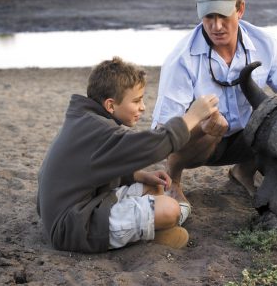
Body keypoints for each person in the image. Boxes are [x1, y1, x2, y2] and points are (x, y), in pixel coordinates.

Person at [151, 0, 277, 207]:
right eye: (209, 17)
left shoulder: (265, 43)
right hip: (200, 144)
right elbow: (162, 130)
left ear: (240, 8)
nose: (216, 26)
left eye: (224, 15)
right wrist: (200, 123)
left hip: (247, 140)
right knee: (203, 127)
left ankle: (243, 171)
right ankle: (173, 179)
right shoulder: (181, 58)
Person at [37, 56, 219, 253]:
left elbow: (96, 167)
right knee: (171, 209)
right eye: (136, 100)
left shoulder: (88, 121)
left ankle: (152, 231)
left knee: (153, 186)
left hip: (83, 205)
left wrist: (137, 176)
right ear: (110, 105)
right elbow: (154, 146)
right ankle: (167, 223)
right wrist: (192, 116)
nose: (142, 107)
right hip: (72, 226)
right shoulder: (99, 131)